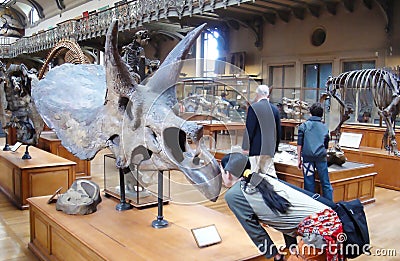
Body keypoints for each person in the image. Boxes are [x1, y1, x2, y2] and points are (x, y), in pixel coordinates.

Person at [221, 152, 343, 261]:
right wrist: (291, 247)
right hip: (332, 223)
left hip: (320, 234)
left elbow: (255, 231)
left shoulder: (234, 195)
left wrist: (275, 255)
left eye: (221, 172)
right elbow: (283, 212)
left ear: (228, 174)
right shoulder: (263, 178)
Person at [242, 84, 281, 177]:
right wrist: (275, 147)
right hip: (269, 148)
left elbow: (249, 129)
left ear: (257, 94)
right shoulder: (275, 109)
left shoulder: (254, 107)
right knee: (270, 175)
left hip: (256, 148)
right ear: (268, 95)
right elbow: (278, 131)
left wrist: (245, 146)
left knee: (254, 173)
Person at [297, 102, 333, 201]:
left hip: (307, 158)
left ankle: (311, 204)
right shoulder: (325, 127)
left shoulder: (304, 126)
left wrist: (299, 159)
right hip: (321, 158)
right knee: (325, 182)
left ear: (310, 113)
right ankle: (330, 205)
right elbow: (326, 145)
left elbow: (300, 144)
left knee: (309, 182)